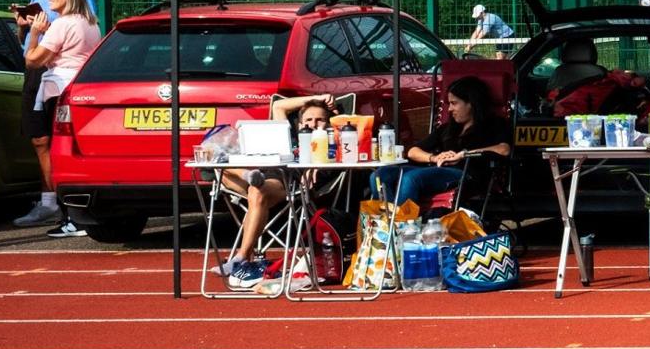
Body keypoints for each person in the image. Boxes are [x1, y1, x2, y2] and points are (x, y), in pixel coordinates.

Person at [215, 91, 340, 287]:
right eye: (308, 119)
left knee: (257, 192)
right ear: (299, 124)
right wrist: (317, 98)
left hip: (286, 183)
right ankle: (246, 175)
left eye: (320, 120)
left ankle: (241, 257)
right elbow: (278, 107)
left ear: (329, 124)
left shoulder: (331, 142)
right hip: (263, 174)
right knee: (220, 164)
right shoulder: (289, 136)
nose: (313, 124)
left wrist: (317, 164)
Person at [11, 0, 91, 231]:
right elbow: (28, 50)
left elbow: (35, 57)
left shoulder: (77, 5)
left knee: (60, 142)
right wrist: (23, 25)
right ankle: (51, 203)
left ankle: (69, 210)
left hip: (56, 76)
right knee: (41, 138)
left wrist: (37, 32)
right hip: (46, 76)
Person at [373, 76, 510, 211]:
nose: (449, 109)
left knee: (410, 179)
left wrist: (463, 155)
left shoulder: (494, 124)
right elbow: (412, 151)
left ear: (471, 103)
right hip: (436, 170)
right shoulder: (448, 128)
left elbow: (504, 149)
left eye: (454, 103)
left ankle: (403, 227)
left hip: (467, 174)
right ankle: (388, 222)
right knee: (379, 176)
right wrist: (434, 157)